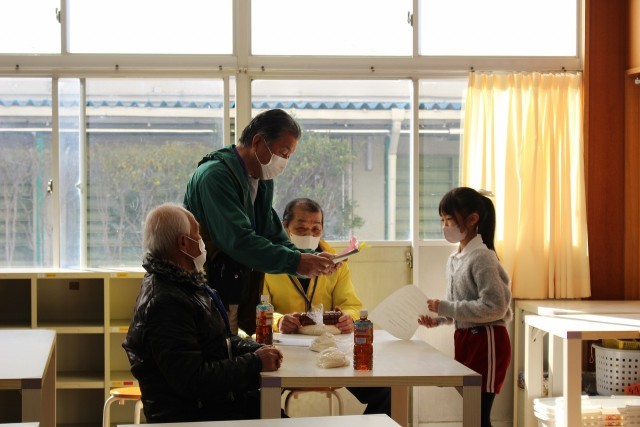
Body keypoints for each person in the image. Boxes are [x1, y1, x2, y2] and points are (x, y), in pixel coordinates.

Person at [122, 203, 284, 423]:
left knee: (278, 414)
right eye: (197, 235)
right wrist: (255, 362)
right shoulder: (165, 302)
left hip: (216, 404)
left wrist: (257, 349)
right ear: (183, 243)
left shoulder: (186, 285)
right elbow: (193, 380)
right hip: (193, 416)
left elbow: (220, 340)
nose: (202, 242)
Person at [183, 109, 337, 335]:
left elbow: (272, 234)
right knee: (216, 348)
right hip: (206, 287)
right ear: (257, 142)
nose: (284, 162)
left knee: (233, 345)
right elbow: (238, 240)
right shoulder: (215, 175)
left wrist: (311, 259)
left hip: (234, 285)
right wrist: (296, 261)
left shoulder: (261, 178)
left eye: (289, 156)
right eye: (283, 153)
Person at [264, 198, 391, 417]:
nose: (309, 235)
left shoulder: (336, 262)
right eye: (301, 229)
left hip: (331, 350)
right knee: (259, 398)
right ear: (285, 227)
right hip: (284, 352)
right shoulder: (268, 262)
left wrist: (348, 318)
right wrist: (278, 320)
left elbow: (351, 304)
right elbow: (259, 308)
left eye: (316, 229)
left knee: (386, 392)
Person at [417, 187, 512, 427]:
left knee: (478, 416)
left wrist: (445, 308)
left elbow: (495, 307)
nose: (445, 225)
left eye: (449, 219)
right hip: (465, 339)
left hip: (487, 340)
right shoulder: (454, 259)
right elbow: (456, 304)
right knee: (473, 412)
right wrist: (439, 318)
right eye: (442, 220)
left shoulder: (482, 257)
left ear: (472, 220)